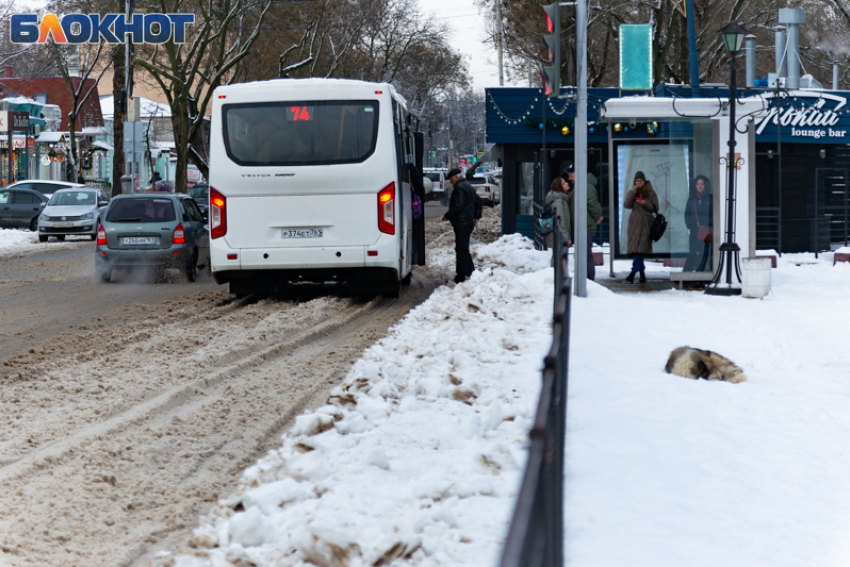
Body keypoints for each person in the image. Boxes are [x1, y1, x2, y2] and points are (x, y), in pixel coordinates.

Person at [562, 163, 604, 281]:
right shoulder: (582, 185)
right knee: (583, 254)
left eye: (571, 175)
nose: (570, 178)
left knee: (585, 254)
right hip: (583, 226)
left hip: (585, 226)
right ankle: (585, 279)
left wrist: (597, 217)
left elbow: (592, 203)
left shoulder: (586, 186)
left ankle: (588, 280)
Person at [442, 167, 483, 284]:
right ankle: (460, 276)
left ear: (456, 177)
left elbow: (458, 206)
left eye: (451, 179)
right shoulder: (468, 186)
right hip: (468, 221)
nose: (450, 182)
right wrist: (476, 216)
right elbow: (478, 201)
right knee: (460, 248)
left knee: (462, 249)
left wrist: (447, 216)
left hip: (462, 222)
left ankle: (471, 273)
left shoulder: (459, 188)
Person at [623, 171, 659, 283]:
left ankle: (632, 274)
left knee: (639, 250)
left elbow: (655, 208)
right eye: (637, 181)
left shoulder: (651, 192)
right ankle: (642, 274)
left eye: (640, 180)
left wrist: (644, 203)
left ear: (644, 181)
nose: (639, 182)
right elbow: (626, 205)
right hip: (634, 224)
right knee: (638, 249)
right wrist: (632, 193)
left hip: (646, 224)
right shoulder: (634, 192)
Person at [683, 175, 713, 272]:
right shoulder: (691, 200)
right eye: (698, 184)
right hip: (695, 231)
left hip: (708, 232)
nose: (700, 186)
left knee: (706, 252)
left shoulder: (710, 199)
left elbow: (715, 214)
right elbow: (687, 214)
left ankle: (705, 271)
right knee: (694, 252)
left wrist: (710, 226)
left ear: (706, 186)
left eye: (702, 184)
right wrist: (691, 225)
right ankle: (691, 273)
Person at [545, 177, 572, 261]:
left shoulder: (563, 199)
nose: (567, 183)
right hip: (559, 236)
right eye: (564, 183)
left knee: (558, 257)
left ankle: (559, 273)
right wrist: (566, 237)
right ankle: (558, 274)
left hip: (558, 235)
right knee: (559, 259)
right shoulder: (559, 201)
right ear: (559, 187)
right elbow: (560, 221)